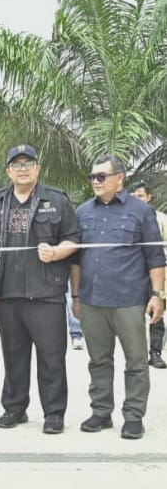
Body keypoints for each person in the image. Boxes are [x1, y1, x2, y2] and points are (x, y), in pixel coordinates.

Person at [0, 145, 79, 434]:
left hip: (46, 293)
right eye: (16, 164)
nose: (22, 169)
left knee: (51, 357)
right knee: (13, 355)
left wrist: (57, 252)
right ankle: (14, 408)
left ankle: (54, 414)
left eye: (28, 163)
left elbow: (73, 240)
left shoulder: (57, 200)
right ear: (8, 171)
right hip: (7, 293)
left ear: (38, 168)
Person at [71, 155, 165, 440]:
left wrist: (157, 295)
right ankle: (101, 411)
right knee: (98, 360)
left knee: (136, 361)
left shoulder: (141, 211)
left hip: (129, 300)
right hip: (92, 299)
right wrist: (75, 295)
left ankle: (134, 416)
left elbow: (155, 257)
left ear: (120, 179)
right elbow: (76, 259)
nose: (95, 181)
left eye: (102, 176)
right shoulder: (83, 212)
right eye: (93, 177)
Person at [129, 180, 167, 369]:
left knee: (156, 313)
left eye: (140, 196)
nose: (137, 200)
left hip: (155, 273)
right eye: (133, 197)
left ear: (149, 197)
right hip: (132, 274)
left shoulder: (160, 218)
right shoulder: (126, 217)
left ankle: (155, 352)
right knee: (132, 316)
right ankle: (137, 354)